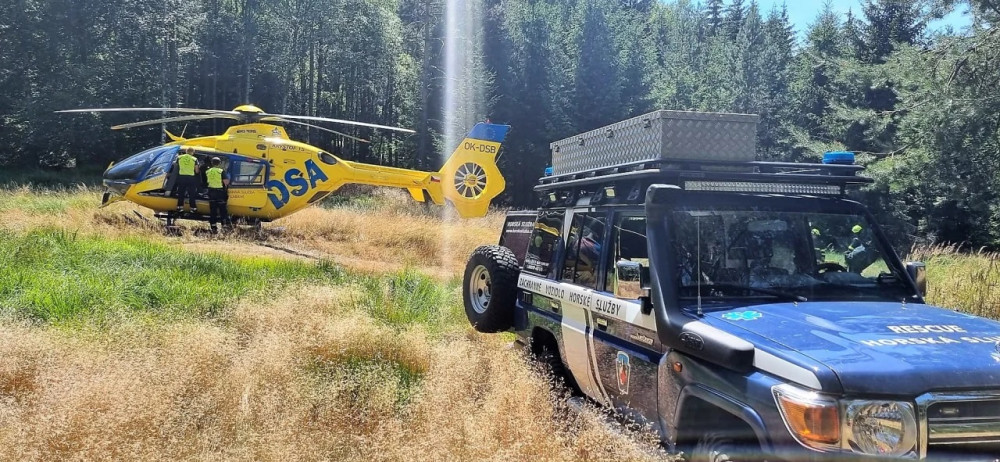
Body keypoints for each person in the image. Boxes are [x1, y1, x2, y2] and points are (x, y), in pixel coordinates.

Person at [205, 157, 231, 234]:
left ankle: (213, 228)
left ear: (212, 163)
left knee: (213, 211)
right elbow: (226, 182)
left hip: (211, 192)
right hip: (220, 193)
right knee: (223, 211)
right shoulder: (221, 171)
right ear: (219, 163)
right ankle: (224, 227)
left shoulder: (208, 171)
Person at [174, 148, 200, 212]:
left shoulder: (179, 157)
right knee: (192, 193)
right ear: (193, 152)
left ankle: (180, 207)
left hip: (182, 177)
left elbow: (176, 167)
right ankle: (193, 208)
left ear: (186, 151)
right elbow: (196, 171)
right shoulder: (194, 159)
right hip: (190, 177)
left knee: (181, 193)